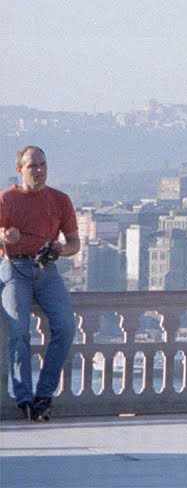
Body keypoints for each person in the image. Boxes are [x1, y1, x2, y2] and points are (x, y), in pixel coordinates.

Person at [0, 146, 80, 422]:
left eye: (43, 164)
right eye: (33, 165)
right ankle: (23, 396)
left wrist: (61, 249)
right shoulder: (6, 199)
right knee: (19, 330)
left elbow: (74, 244)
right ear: (20, 169)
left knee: (66, 327)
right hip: (14, 267)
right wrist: (5, 238)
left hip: (46, 270)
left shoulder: (60, 200)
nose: (39, 170)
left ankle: (43, 395)